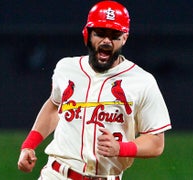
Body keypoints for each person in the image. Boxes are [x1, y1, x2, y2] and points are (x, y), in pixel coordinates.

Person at [17, 1, 172, 179]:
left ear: (124, 38)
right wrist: (28, 145)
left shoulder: (142, 81)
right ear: (87, 34)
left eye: (114, 34)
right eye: (100, 33)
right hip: (57, 174)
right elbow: (54, 107)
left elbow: (156, 142)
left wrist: (121, 148)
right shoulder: (66, 68)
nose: (106, 40)